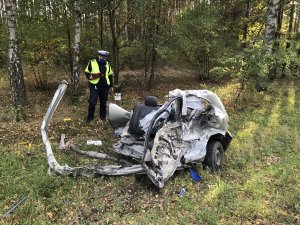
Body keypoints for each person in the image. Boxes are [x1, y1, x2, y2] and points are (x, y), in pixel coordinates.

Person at [85, 50, 114, 122]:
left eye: (105, 57)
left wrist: (111, 85)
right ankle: (90, 118)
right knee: (92, 102)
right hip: (95, 85)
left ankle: (103, 117)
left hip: (105, 86)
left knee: (103, 102)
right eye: (102, 56)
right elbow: (87, 72)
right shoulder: (92, 62)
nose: (104, 58)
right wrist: (90, 77)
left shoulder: (107, 64)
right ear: (99, 56)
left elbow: (110, 75)